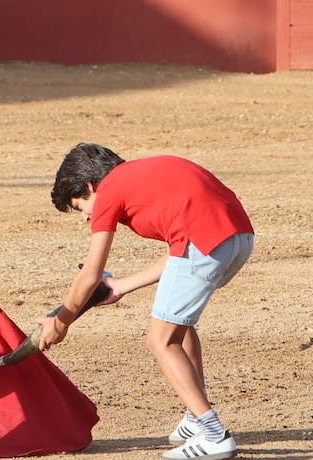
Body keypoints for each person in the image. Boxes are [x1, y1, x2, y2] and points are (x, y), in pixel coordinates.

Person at [38, 143, 253, 460]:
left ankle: (213, 436)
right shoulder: (145, 175)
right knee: (177, 325)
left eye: (81, 206)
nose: (85, 218)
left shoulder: (110, 189)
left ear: (90, 186)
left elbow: (90, 276)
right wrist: (123, 286)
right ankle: (196, 416)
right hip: (239, 239)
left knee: (160, 340)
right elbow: (180, 249)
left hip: (202, 243)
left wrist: (60, 323)